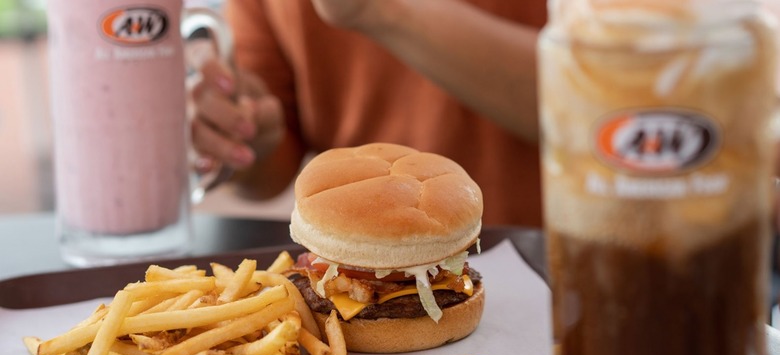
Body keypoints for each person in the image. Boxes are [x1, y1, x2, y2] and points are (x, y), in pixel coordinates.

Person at [191, 0, 547, 226]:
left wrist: (380, 9)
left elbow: (596, 111)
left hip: (556, 261)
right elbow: (268, 171)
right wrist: (235, 132)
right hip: (352, 277)